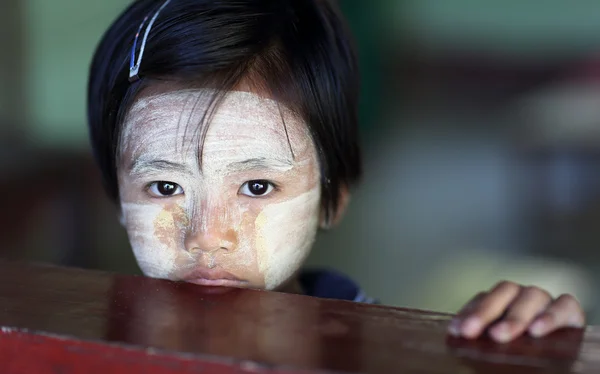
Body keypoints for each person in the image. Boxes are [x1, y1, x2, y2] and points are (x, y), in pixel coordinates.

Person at [87, 0, 585, 344]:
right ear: (117, 200)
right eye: (165, 186)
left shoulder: (372, 347)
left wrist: (526, 340)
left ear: (335, 196)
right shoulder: (86, 334)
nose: (207, 237)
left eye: (257, 186)